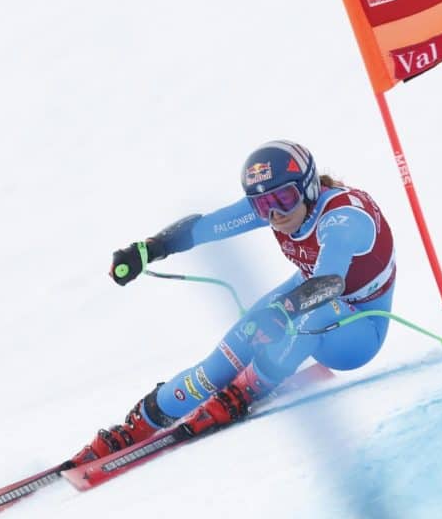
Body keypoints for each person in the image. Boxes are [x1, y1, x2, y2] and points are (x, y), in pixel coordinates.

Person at [69, 140, 396, 465]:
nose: (275, 214)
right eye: (262, 204)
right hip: (306, 299)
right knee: (220, 363)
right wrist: (148, 250)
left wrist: (282, 313)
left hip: (359, 328)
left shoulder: (343, 218)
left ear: (309, 188)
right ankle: (143, 421)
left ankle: (247, 390)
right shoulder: (274, 208)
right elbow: (206, 227)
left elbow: (328, 283)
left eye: (284, 198)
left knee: (305, 318)